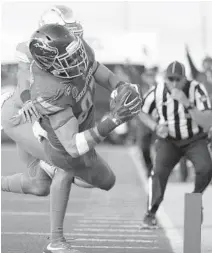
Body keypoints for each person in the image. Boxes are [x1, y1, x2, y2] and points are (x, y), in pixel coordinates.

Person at [1, 24, 142, 253]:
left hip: (63, 124)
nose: (77, 60)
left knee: (102, 181)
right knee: (66, 164)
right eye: (67, 59)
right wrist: (112, 121)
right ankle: (56, 241)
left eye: (75, 53)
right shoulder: (50, 88)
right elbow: (74, 146)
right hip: (45, 130)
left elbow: (96, 68)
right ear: (48, 62)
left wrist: (120, 85)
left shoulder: (74, 48)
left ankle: (40, 166)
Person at [139, 61, 212, 229]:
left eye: (177, 79)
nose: (173, 83)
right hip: (169, 141)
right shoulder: (157, 91)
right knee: (158, 173)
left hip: (194, 138)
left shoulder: (196, 89)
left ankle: (196, 198)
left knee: (206, 167)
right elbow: (141, 111)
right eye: (170, 79)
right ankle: (150, 213)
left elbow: (207, 121)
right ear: (165, 78)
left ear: (184, 79)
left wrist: (187, 103)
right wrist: (155, 126)